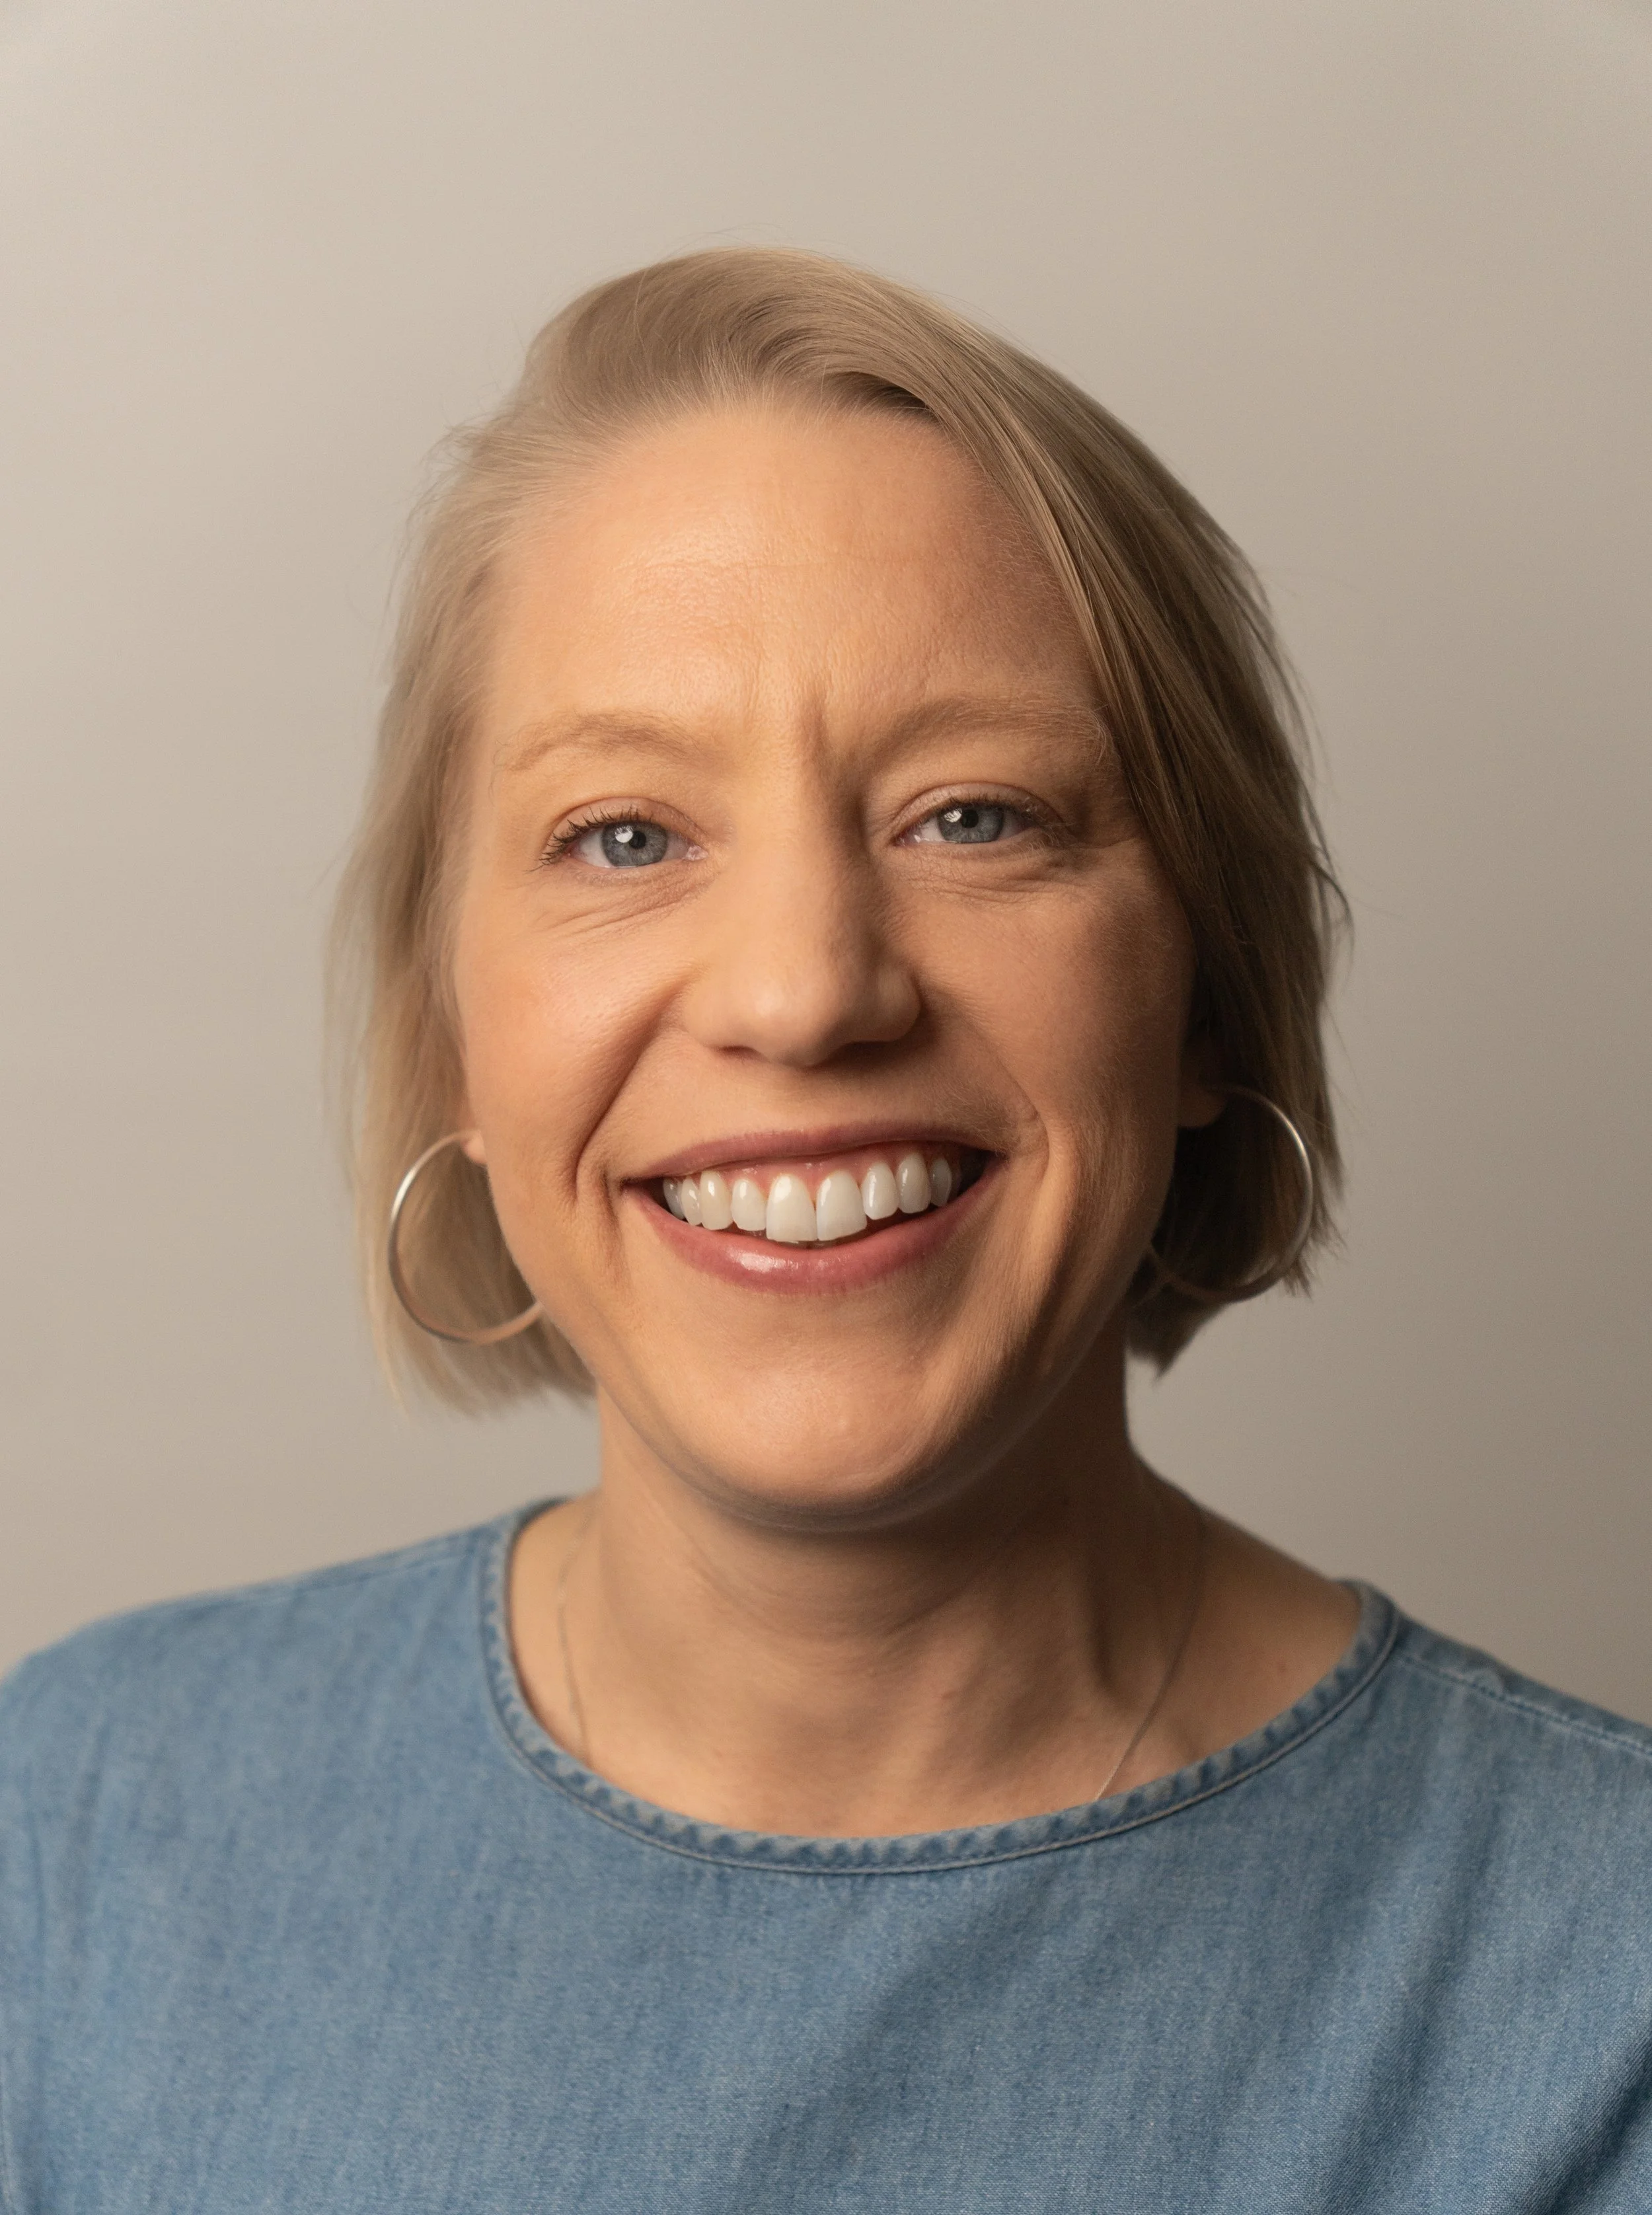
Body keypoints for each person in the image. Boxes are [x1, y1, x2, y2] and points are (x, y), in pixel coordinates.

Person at [2, 248, 1649, 2213]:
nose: (801, 993)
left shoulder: (1593, 1993)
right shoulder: (82, 1830)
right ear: (456, 1034)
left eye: (973, 817)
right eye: (624, 836)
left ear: (1201, 993)